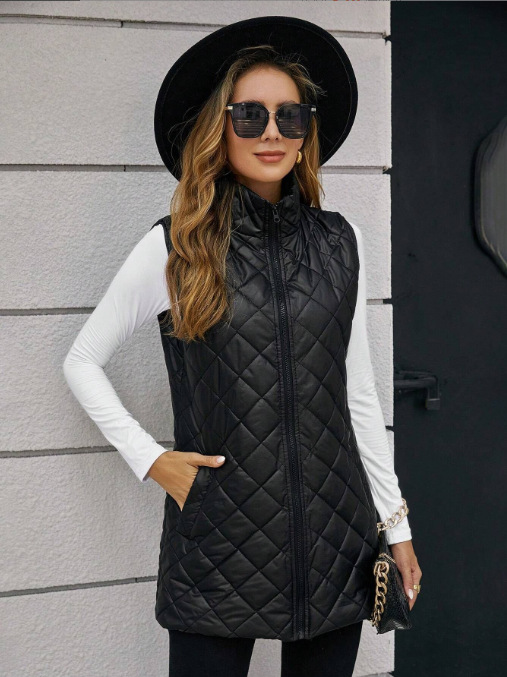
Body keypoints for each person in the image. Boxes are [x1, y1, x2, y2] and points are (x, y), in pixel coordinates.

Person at [63, 16, 422, 677]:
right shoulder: (177, 245)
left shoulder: (339, 243)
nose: (271, 132)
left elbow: (358, 393)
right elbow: (81, 361)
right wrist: (153, 460)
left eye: (290, 116)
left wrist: (394, 526)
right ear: (219, 127)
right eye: (250, 115)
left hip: (334, 540)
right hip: (219, 546)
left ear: (306, 132)